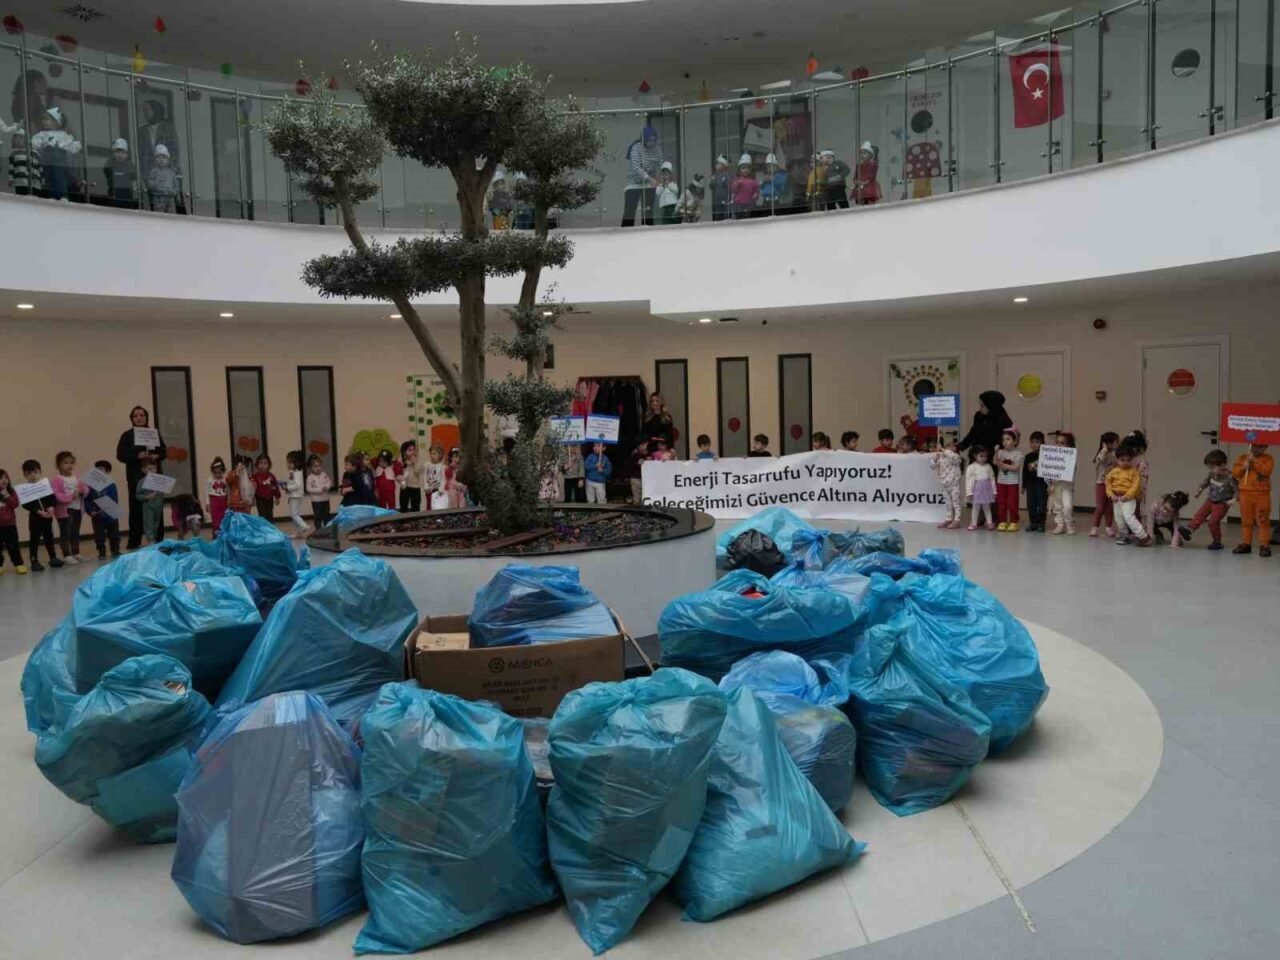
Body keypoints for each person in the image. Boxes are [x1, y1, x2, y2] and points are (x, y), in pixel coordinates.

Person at [117, 405, 167, 549]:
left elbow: (163, 452)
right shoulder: (127, 435)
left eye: (142, 415)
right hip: (135, 476)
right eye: (136, 416)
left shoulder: (154, 433)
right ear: (132, 419)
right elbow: (120, 455)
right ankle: (134, 541)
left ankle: (158, 539)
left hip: (154, 475)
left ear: (146, 417)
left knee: (156, 506)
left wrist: (157, 455)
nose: (139, 418)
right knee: (136, 508)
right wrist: (136, 456)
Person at [1187, 449, 1236, 551]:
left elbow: (1237, 491)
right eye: (1210, 468)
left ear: (1223, 465)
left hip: (1221, 504)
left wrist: (1233, 500)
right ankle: (1190, 530)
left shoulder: (1230, 478)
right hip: (1210, 500)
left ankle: (1217, 542)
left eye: (1213, 467)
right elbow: (1205, 483)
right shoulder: (1212, 474)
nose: (1212, 470)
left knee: (1213, 522)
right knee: (1200, 514)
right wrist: (1199, 490)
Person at [1231, 441, 1273, 556]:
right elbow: (1235, 474)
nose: (1256, 448)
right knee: (1246, 520)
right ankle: (1246, 543)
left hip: (1262, 494)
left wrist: (1255, 461)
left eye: (1260, 446)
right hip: (1245, 494)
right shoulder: (1242, 458)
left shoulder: (1268, 458)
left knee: (1263, 520)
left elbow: (1266, 472)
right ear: (1249, 445)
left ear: (1266, 446)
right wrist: (1243, 467)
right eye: (1254, 445)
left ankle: (1264, 545)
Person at [31, 106, 81, 202]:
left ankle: (62, 195)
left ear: (56, 122)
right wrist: (38, 144)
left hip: (59, 160)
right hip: (47, 161)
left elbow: (71, 146)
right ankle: (52, 195)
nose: (43, 121)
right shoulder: (42, 134)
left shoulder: (63, 134)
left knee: (59, 177)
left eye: (46, 119)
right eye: (43, 119)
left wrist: (76, 145)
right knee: (49, 177)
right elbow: (34, 142)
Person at [1107, 443, 1152, 546]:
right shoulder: (1113, 472)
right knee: (1119, 519)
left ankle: (1143, 536)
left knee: (1129, 517)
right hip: (1116, 498)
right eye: (1122, 460)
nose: (1125, 462)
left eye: (1128, 460)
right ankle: (1124, 536)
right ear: (1117, 460)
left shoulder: (1134, 473)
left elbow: (1135, 486)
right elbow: (1108, 484)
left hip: (1128, 499)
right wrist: (1111, 495)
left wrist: (1128, 496)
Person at [50, 451, 89, 564]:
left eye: (71, 462)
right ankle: (67, 555)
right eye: (66, 463)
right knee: (65, 533)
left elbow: (86, 489)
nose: (69, 465)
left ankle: (76, 552)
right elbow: (56, 495)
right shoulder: (56, 479)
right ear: (58, 465)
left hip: (77, 508)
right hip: (65, 511)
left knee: (75, 532)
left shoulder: (77, 477)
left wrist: (82, 492)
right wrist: (71, 496)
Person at [621, 125, 662, 227]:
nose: (652, 143)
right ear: (644, 140)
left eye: (654, 140)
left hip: (649, 184)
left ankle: (649, 231)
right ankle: (626, 231)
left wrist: (661, 176)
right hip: (633, 184)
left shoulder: (657, 149)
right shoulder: (636, 148)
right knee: (629, 212)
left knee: (648, 212)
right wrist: (650, 179)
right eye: (649, 141)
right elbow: (636, 168)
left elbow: (661, 163)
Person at [959, 390, 1013, 461]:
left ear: (991, 406)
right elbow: (972, 434)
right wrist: (960, 446)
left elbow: (1007, 442)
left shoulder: (1004, 421)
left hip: (994, 458)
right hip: (977, 455)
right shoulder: (979, 416)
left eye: (982, 406)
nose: (980, 408)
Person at [84, 460, 121, 560]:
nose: (98, 472)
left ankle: (115, 550)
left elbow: (114, 499)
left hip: (111, 515)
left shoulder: (111, 485)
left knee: (114, 534)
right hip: (97, 515)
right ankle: (101, 552)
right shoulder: (90, 487)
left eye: (101, 470)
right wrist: (90, 511)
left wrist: (105, 507)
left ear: (107, 472)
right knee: (99, 536)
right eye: (96, 470)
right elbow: (87, 500)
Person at [138, 98, 178, 183]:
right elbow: (141, 154)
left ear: (156, 110)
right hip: (149, 174)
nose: (145, 113)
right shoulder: (142, 130)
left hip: (166, 173)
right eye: (144, 110)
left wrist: (171, 170)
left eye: (147, 109)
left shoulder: (168, 127)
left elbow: (174, 151)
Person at [1090, 431, 1120, 537]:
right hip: (1101, 483)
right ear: (1109, 443)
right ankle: (1095, 527)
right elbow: (1098, 460)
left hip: (1113, 484)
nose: (1118, 444)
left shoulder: (1116, 454)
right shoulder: (1102, 453)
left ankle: (1108, 527)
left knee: (1110, 507)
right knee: (1100, 507)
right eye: (1116, 442)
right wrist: (1104, 449)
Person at [1048, 431, 1078, 535]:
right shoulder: (1052, 457)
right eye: (1057, 443)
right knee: (1057, 506)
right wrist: (1050, 483)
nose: (1059, 445)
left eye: (1062, 443)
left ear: (1069, 445)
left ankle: (1069, 524)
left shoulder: (1071, 459)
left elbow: (1072, 472)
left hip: (1066, 486)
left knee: (1067, 506)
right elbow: (1048, 470)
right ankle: (1059, 525)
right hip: (1056, 486)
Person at [993, 429, 1023, 531]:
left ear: (1015, 441)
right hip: (1001, 482)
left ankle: (1014, 521)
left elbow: (1015, 467)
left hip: (1012, 483)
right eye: (1003, 439)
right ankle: (1002, 521)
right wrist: (996, 452)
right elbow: (995, 461)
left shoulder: (1018, 454)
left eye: (1008, 439)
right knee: (1001, 502)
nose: (1005, 442)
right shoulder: (1001, 452)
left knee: (1012, 503)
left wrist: (1002, 464)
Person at [932, 438, 964, 529]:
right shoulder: (941, 457)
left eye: (952, 446)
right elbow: (932, 466)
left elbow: (953, 457)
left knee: (956, 503)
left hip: (954, 484)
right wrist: (935, 459)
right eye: (948, 446)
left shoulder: (956, 457)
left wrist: (942, 449)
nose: (949, 448)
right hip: (944, 483)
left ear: (955, 448)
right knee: (948, 503)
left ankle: (957, 520)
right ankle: (948, 519)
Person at [0, 468, 27, 574]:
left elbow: (15, 504)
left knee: (13, 546)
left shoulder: (11, 492)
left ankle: (18, 564)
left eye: (6, 477)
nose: (4, 480)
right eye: (1, 478)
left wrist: (7, 496)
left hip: (10, 525)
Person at [965, 446, 997, 531]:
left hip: (987, 490)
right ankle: (974, 523)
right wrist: (969, 492)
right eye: (981, 456)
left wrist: (994, 491)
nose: (984, 458)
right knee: (975, 507)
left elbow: (992, 479)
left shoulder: (988, 466)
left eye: (985, 456)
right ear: (975, 456)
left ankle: (989, 522)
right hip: (977, 490)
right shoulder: (971, 467)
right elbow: (968, 481)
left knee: (987, 507)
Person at [1022, 431, 1049, 533]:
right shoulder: (1028, 457)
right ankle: (1033, 523)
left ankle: (1041, 523)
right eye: (1032, 442)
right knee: (1031, 504)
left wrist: (1049, 484)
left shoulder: (1046, 456)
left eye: (1037, 442)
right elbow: (1025, 472)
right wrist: (1024, 485)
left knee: (1041, 504)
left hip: (1042, 484)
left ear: (1043, 443)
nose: (1034, 444)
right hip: (1030, 484)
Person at [136, 458, 166, 545]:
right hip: (148, 505)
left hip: (158, 505)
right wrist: (146, 497)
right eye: (150, 469)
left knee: (156, 524)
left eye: (154, 468)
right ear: (143, 470)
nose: (153, 471)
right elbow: (138, 495)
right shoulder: (142, 482)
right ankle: (150, 540)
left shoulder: (159, 480)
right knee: (149, 524)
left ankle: (154, 540)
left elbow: (162, 493)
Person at [146, 143, 180, 213]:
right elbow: (149, 183)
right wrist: (156, 186)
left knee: (171, 214)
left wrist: (174, 192)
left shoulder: (171, 172)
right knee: (159, 214)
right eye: (158, 157)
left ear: (168, 159)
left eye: (164, 158)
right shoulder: (154, 171)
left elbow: (176, 185)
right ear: (155, 159)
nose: (161, 160)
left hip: (170, 198)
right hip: (158, 198)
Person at [8, 127, 42, 196]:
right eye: (16, 137)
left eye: (21, 137)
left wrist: (42, 181)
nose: (18, 140)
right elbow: (11, 168)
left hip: (34, 184)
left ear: (27, 140)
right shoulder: (13, 154)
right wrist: (10, 179)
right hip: (20, 183)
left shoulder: (34, 153)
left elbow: (39, 168)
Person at [103, 137, 136, 208]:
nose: (120, 155)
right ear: (113, 153)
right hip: (114, 197)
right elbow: (106, 171)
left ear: (127, 155)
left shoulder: (130, 165)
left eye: (123, 153)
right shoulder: (110, 164)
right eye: (118, 152)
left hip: (127, 198)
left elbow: (134, 176)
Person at [284, 450, 310, 538]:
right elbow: (292, 483)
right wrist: (287, 487)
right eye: (288, 462)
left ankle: (304, 526)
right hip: (295, 495)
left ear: (297, 463)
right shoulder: (294, 472)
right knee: (295, 514)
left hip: (295, 496)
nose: (288, 464)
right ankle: (298, 532)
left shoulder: (295, 473)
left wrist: (288, 488)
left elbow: (297, 485)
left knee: (294, 514)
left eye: (290, 463)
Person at [251, 454, 281, 521]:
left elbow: (275, 487)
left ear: (269, 465)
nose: (263, 465)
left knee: (270, 514)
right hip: (260, 498)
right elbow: (253, 488)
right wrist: (253, 499)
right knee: (262, 514)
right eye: (261, 463)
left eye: (265, 463)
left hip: (269, 498)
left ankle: (270, 526)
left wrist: (277, 497)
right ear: (257, 464)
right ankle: (263, 527)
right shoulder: (255, 476)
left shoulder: (271, 476)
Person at [306, 454, 333, 527]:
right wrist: (319, 489)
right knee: (318, 516)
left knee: (326, 515)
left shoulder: (324, 474)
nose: (318, 468)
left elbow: (329, 482)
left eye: (319, 466)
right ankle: (318, 529)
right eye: (315, 466)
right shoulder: (310, 477)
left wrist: (327, 486)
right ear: (311, 467)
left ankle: (327, 529)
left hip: (325, 499)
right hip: (316, 501)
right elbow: (308, 488)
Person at [729, 154, 759, 219]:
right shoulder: (736, 180)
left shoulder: (753, 182)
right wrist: (736, 184)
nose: (746, 170)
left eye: (748, 168)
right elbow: (733, 190)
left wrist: (754, 199)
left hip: (749, 205)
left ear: (751, 169)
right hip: (737, 205)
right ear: (739, 169)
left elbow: (756, 194)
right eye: (743, 168)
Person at [396, 440, 423, 513]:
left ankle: (416, 519)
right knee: (403, 505)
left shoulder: (418, 461)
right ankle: (403, 519)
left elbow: (418, 472)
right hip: (405, 487)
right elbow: (398, 474)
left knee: (416, 507)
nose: (412, 452)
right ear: (404, 452)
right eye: (410, 450)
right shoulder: (401, 462)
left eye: (414, 449)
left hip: (416, 487)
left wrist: (414, 463)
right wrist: (400, 480)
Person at [206, 456, 230, 536]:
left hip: (223, 501)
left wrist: (229, 500)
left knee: (224, 518)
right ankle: (215, 536)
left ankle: (224, 535)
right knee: (215, 519)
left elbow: (228, 491)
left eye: (219, 473)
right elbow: (207, 492)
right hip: (214, 501)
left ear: (223, 471)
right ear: (212, 472)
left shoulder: (225, 480)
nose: (217, 475)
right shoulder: (210, 480)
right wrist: (208, 504)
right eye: (215, 473)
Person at [853, 141, 882, 205]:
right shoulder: (859, 165)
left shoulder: (872, 164)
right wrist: (856, 181)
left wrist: (864, 182)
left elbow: (872, 176)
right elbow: (855, 176)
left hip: (869, 187)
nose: (863, 155)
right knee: (861, 203)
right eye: (861, 153)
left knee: (870, 202)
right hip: (860, 187)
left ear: (870, 154)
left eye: (865, 153)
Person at [709, 155, 731, 222]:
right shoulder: (715, 176)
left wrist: (725, 182)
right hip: (717, 201)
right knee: (717, 217)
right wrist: (712, 180)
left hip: (726, 201)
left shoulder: (728, 175)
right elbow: (711, 187)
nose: (716, 165)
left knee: (725, 217)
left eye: (718, 163)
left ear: (724, 165)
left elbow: (730, 186)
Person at [629, 439, 650, 504]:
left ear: (647, 444)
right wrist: (637, 463)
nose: (642, 447)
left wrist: (649, 460)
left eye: (643, 444)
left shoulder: (650, 454)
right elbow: (630, 465)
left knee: (646, 499)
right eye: (640, 445)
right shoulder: (634, 454)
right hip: (636, 478)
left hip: (647, 479)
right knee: (636, 500)